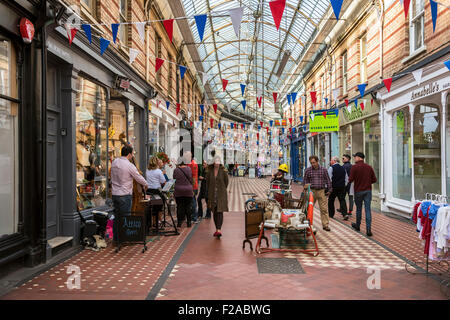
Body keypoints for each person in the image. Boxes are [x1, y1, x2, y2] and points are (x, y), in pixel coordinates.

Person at [110, 145, 148, 244]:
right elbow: (138, 177)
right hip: (124, 194)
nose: (132, 156)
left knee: (117, 217)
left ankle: (116, 239)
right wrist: (146, 184)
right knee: (125, 218)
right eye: (132, 154)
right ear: (130, 154)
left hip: (115, 194)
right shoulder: (129, 165)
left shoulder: (114, 162)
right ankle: (123, 239)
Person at [349, 152, 377, 237]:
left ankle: (358, 226)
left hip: (358, 191)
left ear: (358, 158)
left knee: (358, 209)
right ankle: (368, 229)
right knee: (368, 209)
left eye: (355, 157)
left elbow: (350, 179)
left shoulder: (354, 167)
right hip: (368, 191)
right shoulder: (369, 167)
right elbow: (374, 180)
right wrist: (367, 182)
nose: (354, 159)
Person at [303, 155, 333, 231]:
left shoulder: (324, 170)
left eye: (314, 162)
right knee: (308, 208)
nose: (313, 164)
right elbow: (305, 181)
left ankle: (325, 225)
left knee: (324, 209)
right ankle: (308, 224)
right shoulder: (308, 170)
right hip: (311, 191)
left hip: (321, 191)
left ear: (317, 161)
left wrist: (329, 190)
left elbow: (328, 180)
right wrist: (305, 188)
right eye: (311, 163)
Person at [206, 156, 229, 238]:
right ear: (213, 162)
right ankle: (217, 228)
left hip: (221, 194)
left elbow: (226, 182)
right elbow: (207, 183)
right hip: (212, 194)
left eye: (219, 160)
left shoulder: (223, 171)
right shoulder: (209, 171)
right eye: (216, 160)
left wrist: (221, 189)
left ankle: (219, 229)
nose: (217, 162)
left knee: (220, 211)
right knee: (214, 211)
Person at [173, 156, 194, 228]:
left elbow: (174, 178)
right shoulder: (189, 169)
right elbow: (191, 178)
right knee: (188, 206)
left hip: (179, 190)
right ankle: (189, 223)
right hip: (188, 190)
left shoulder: (176, 170)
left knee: (180, 206)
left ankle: (179, 223)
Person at [145, 156, 166, 223]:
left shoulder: (147, 170)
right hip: (156, 191)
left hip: (149, 191)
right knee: (159, 205)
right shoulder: (158, 171)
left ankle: (153, 221)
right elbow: (163, 181)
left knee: (151, 207)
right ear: (156, 163)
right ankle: (158, 220)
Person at [327, 156, 348, 220]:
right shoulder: (343, 168)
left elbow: (329, 178)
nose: (330, 161)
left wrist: (328, 187)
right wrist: (344, 185)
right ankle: (345, 214)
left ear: (334, 161)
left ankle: (331, 214)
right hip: (341, 187)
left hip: (334, 187)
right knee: (342, 200)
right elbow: (346, 178)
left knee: (331, 200)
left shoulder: (331, 168)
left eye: (331, 160)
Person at [185, 152, 199, 223]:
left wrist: (193, 188)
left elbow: (193, 177)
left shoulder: (193, 164)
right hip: (188, 186)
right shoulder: (188, 163)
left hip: (192, 186)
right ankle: (191, 216)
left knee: (193, 201)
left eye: (186, 156)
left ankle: (194, 217)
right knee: (190, 202)